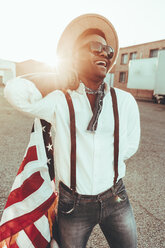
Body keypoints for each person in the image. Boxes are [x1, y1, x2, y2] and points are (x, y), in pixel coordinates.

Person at [4, 13, 140, 248]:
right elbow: (14, 92)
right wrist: (57, 79)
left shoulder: (125, 101)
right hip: (73, 205)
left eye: (107, 50)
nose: (103, 53)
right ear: (75, 58)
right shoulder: (60, 100)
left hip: (117, 198)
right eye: (95, 47)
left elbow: (129, 146)